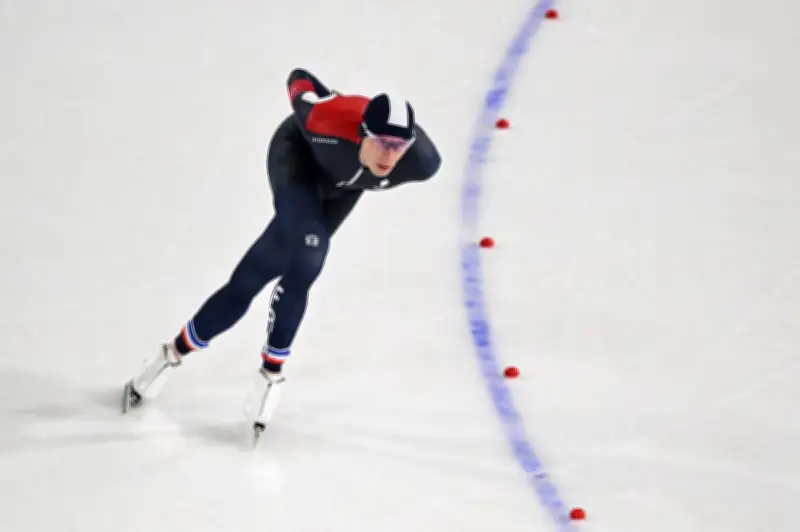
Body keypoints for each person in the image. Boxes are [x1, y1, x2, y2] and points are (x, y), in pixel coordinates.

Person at [121, 68, 442, 443]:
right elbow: (299, 78)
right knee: (309, 254)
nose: (392, 155)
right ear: (362, 133)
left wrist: (384, 152)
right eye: (384, 142)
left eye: (400, 145)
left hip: (341, 189)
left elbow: (392, 156)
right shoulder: (326, 120)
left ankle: (171, 355)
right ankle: (268, 375)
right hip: (298, 160)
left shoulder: (421, 162)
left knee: (255, 275)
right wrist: (328, 97)